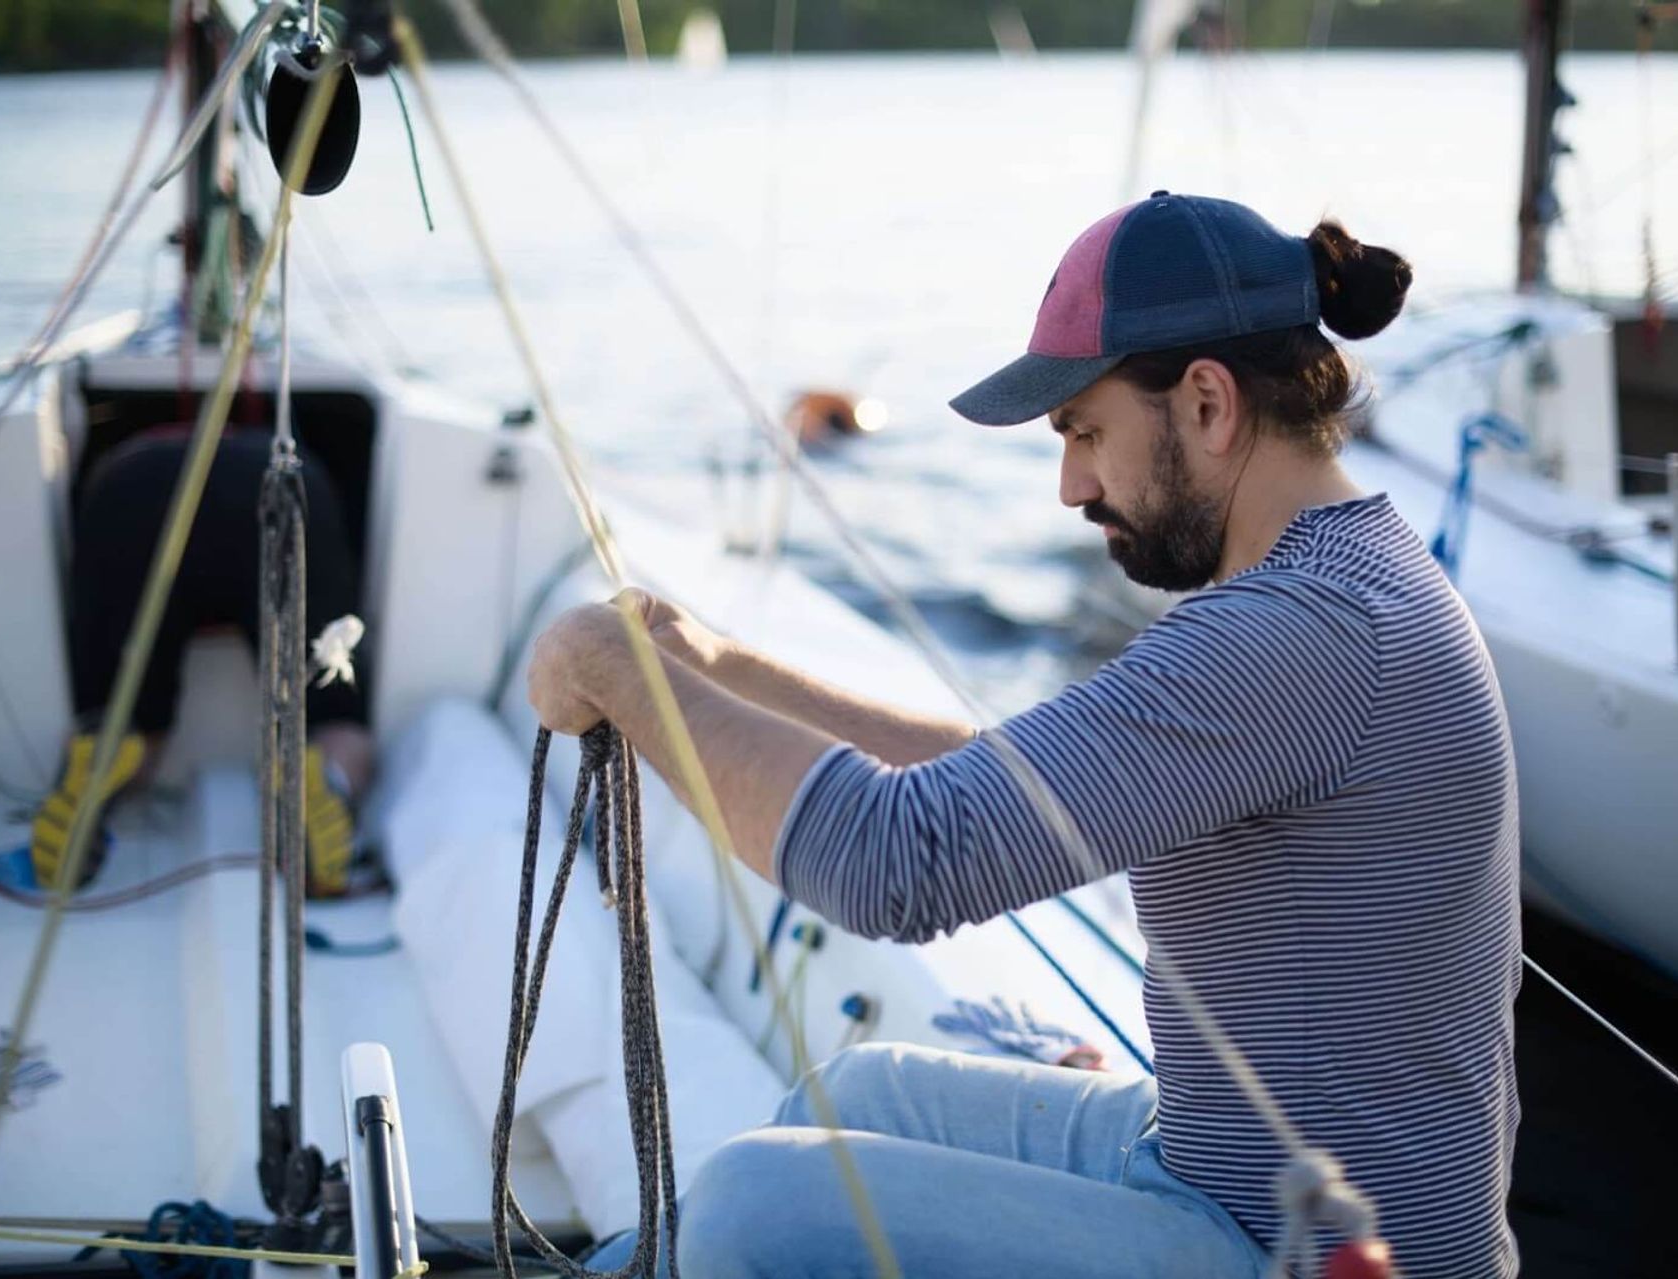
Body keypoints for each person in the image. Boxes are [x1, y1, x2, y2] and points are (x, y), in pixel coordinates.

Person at [528, 193, 1521, 1278]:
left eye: (1085, 432)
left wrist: (614, 671)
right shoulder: (1344, 575)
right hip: (1216, 1161)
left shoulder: (1301, 630)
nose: (1070, 486)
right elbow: (1004, 777)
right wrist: (716, 667)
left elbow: (895, 861)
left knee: (749, 1209)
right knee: (855, 1096)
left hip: (1304, 1246)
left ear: (1205, 403)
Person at [28, 428, 373, 897]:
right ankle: (327, 778)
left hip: (131, 489)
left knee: (126, 713)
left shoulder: (132, 450)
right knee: (331, 716)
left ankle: (105, 756)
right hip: (279, 483)